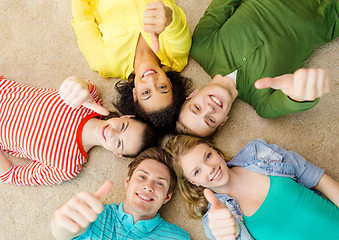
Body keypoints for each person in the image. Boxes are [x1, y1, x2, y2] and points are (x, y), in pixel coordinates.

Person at [177, 0, 338, 137]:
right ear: (223, 122)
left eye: (197, 107)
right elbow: (292, 100)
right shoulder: (264, 105)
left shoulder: (201, 47)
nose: (209, 109)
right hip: (330, 14)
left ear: (192, 95)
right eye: (210, 120)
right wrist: (298, 93)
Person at [165, 135, 339, 240]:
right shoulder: (214, 220)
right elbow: (228, 233)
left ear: (214, 150)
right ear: (193, 182)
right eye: (196, 171)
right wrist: (230, 230)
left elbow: (318, 179)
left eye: (208, 156)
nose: (209, 168)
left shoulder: (259, 153)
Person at [0, 76, 158, 185]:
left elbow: (10, 175)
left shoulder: (67, 167)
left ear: (118, 154)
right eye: (123, 127)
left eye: (118, 143)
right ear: (127, 116)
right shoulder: (90, 99)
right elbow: (74, 84)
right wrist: (77, 86)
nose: (111, 132)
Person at [71, 0, 192, 130]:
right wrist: (168, 16)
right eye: (162, 87)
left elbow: (82, 22)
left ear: (135, 94)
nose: (151, 80)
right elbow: (176, 25)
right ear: (170, 82)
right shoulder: (176, 55)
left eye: (146, 92)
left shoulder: (104, 62)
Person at [50, 147, 190, 240]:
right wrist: (60, 221)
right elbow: (63, 232)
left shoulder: (178, 237)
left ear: (167, 197)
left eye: (160, 183)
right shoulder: (93, 215)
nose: (148, 187)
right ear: (127, 182)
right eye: (142, 177)